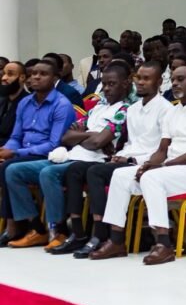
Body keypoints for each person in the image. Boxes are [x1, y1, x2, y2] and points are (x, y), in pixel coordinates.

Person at [92, 65, 186, 265]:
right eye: (173, 79)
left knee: (151, 178)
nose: (175, 83)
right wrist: (147, 164)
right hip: (170, 170)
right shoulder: (173, 111)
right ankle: (116, 240)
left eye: (181, 79)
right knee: (120, 175)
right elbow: (162, 150)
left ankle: (163, 243)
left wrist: (161, 167)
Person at [70, 61, 172, 258]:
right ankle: (98, 236)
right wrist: (120, 155)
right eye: (138, 78)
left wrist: (131, 159)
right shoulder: (133, 109)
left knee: (96, 172)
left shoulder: (166, 109)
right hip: (128, 159)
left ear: (159, 82)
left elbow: (162, 149)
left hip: (149, 163)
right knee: (81, 169)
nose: (140, 82)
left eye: (147, 79)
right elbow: (133, 142)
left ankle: (103, 235)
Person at [31, 63, 134, 253]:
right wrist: (90, 135)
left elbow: (98, 142)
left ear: (126, 84)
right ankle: (77, 234)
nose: (106, 88)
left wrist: (85, 137)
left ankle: (73, 231)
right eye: (104, 84)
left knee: (67, 172)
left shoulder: (125, 110)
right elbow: (66, 136)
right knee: (70, 170)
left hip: (98, 159)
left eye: (112, 84)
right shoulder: (97, 109)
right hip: (75, 156)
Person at [0, 59, 76, 247]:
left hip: (49, 156)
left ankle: (31, 227)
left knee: (9, 168)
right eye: (33, 73)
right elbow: (16, 136)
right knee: (7, 165)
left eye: (43, 74)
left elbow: (54, 144)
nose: (36, 77)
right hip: (25, 154)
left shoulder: (61, 104)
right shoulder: (25, 103)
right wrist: (6, 150)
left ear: (55, 78)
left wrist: (15, 152)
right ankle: (35, 228)